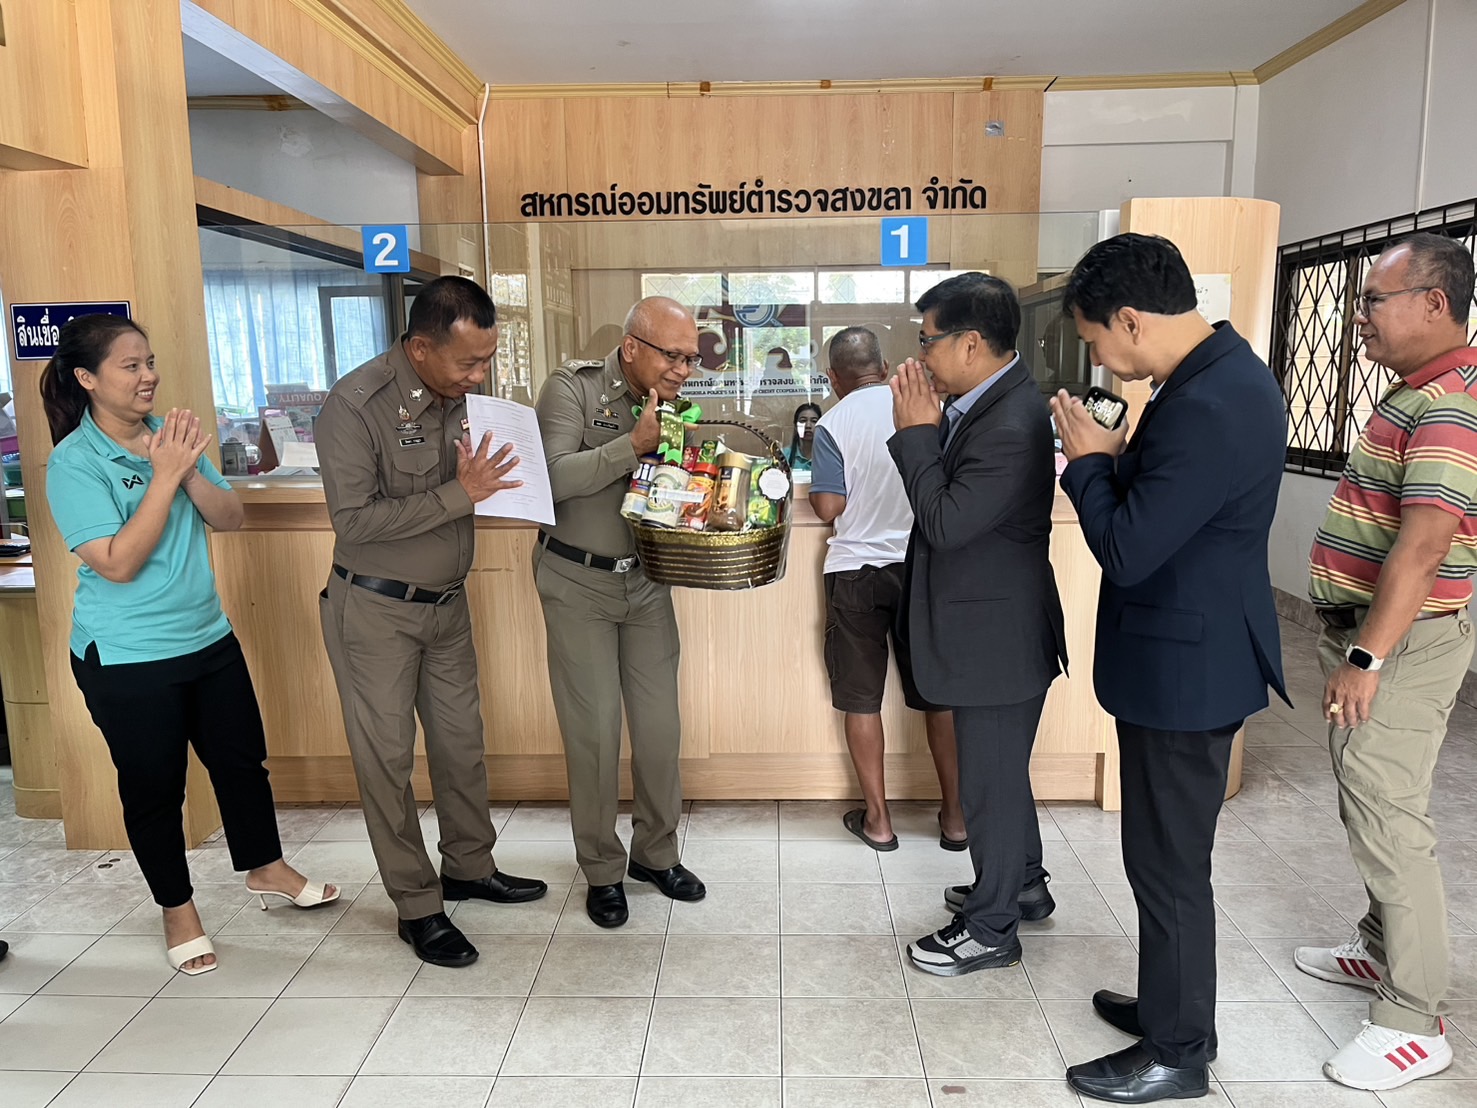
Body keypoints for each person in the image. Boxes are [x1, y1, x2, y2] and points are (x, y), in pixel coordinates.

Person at [1050, 233, 1288, 1103]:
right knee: (1160, 856)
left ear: (1128, 319)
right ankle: (1166, 1005)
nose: (1100, 361)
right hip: (1187, 652)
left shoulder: (1207, 403)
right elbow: (1170, 510)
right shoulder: (1213, 376)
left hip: (1186, 668)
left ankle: (1178, 1050)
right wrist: (1116, 462)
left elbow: (1127, 546)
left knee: (1168, 865)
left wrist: (1086, 464)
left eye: (1096, 340)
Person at [42, 314, 339, 977]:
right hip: (127, 656)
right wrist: (164, 476)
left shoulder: (170, 438)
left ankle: (266, 867)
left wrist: (183, 467)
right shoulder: (74, 462)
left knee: (241, 763)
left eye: (149, 362)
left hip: (206, 636)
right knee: (155, 789)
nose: (147, 375)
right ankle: (178, 910)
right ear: (86, 378)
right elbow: (117, 562)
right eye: (130, 366)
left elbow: (230, 518)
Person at [315, 276, 548, 970]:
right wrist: (461, 493)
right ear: (420, 348)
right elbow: (354, 522)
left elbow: (478, 485)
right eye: (468, 362)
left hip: (447, 604)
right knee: (387, 761)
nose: (480, 375)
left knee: (460, 744)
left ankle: (469, 868)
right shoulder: (354, 406)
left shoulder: (465, 402)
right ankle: (417, 904)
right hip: (376, 611)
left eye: (488, 360)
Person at [1297, 232, 1477, 1092]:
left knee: (1388, 814)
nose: (1359, 315)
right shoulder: (1415, 392)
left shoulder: (1446, 405)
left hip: (1398, 645)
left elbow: (1425, 542)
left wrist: (1366, 656)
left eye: (1373, 299)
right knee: (1365, 797)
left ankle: (1413, 1018)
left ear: (1433, 304)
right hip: (1377, 637)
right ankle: (1378, 949)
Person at [889, 273, 1067, 977]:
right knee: (1000, 773)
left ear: (969, 343)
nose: (921, 354)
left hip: (996, 635)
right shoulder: (989, 401)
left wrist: (915, 436)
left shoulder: (1011, 421)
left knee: (988, 782)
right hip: (992, 626)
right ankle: (1020, 885)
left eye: (927, 340)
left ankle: (992, 927)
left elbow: (946, 521)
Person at [534, 296, 707, 928]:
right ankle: (602, 869)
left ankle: (656, 854)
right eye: (673, 356)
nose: (684, 370)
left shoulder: (675, 404)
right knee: (596, 732)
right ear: (632, 346)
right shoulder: (571, 390)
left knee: (660, 730)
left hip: (647, 583)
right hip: (577, 581)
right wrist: (629, 446)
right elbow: (550, 478)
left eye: (691, 358)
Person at [810, 328, 967, 853]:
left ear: (834, 379)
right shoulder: (925, 408)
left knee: (862, 700)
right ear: (882, 366)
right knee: (939, 698)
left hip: (856, 572)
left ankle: (878, 822)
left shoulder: (832, 423)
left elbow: (829, 508)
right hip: (923, 568)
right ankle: (955, 818)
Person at [787, 401, 822, 475]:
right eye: (803, 421)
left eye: (814, 421)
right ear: (795, 426)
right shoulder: (785, 455)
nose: (808, 426)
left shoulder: (827, 456)